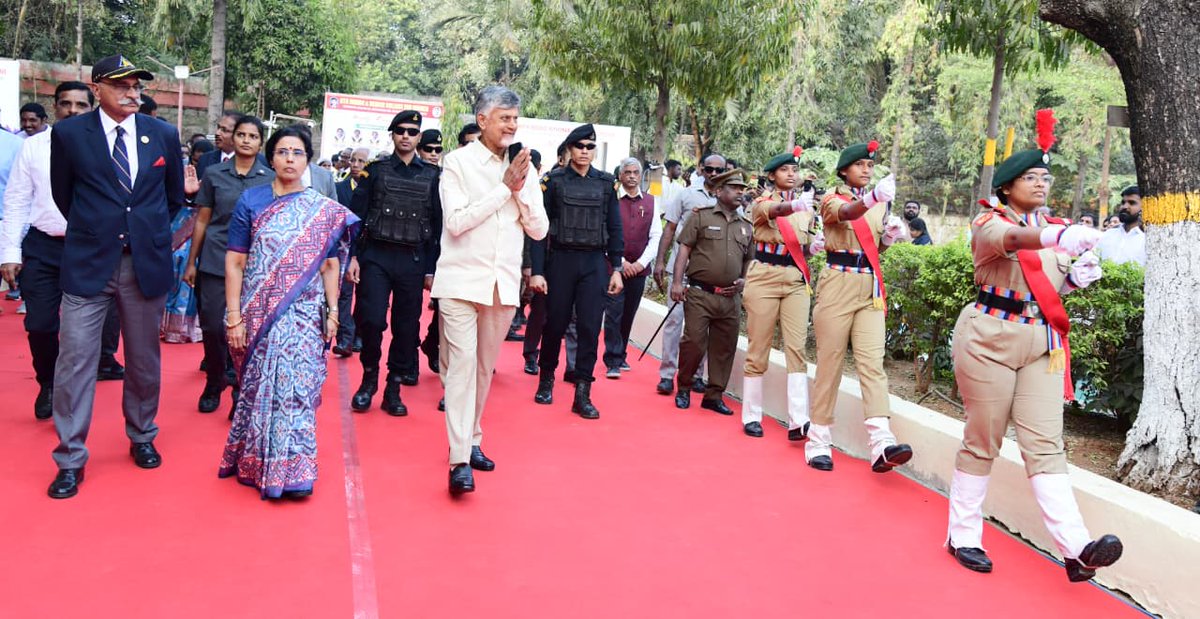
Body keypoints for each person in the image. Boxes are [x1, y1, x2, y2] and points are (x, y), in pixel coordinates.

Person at [945, 133, 1122, 582]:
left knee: (1046, 444)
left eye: (1046, 176)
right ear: (1007, 186)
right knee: (983, 439)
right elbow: (1014, 240)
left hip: (1041, 342)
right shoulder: (988, 222)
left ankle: (1077, 547)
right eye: (1031, 177)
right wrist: (1059, 236)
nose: (1041, 183)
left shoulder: (1053, 227)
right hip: (989, 340)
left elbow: (1046, 290)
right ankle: (962, 533)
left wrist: (1076, 279)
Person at [46, 55, 185, 499]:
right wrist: (98, 231)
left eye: (136, 84)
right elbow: (63, 193)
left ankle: (142, 435)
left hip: (143, 264)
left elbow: (173, 199)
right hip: (89, 262)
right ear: (97, 88)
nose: (132, 91)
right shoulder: (69, 134)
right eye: (121, 84)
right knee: (75, 363)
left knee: (144, 360)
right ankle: (70, 457)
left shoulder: (162, 134)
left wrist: (140, 234)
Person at [220, 125, 359, 500]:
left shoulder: (322, 211)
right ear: (271, 156)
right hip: (258, 312)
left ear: (307, 159)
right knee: (258, 389)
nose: (290, 159)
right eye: (282, 152)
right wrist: (234, 316)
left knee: (297, 391)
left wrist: (333, 313)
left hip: (304, 315)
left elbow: (331, 266)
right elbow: (235, 262)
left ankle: (295, 471)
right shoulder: (251, 202)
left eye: (297, 153)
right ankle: (253, 461)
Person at [434, 85, 548, 494]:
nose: (512, 125)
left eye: (516, 119)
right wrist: (505, 188)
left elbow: (539, 228)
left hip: (502, 285)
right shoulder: (457, 163)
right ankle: (459, 459)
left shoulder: (524, 168)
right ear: (483, 120)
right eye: (505, 117)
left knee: (483, 370)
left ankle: (472, 437)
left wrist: (519, 191)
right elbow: (457, 222)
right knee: (461, 367)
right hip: (460, 282)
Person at [0, 81, 125, 421]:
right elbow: (16, 200)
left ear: (91, 107)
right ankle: (48, 382)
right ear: (54, 108)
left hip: (89, 249)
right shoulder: (35, 147)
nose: (72, 110)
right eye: (65, 104)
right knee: (39, 325)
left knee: (78, 333)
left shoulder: (107, 145)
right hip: (43, 246)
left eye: (80, 105)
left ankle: (70, 398)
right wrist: (9, 251)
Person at [808, 140, 912, 473]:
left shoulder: (880, 203)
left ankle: (881, 442)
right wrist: (875, 199)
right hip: (838, 281)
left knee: (872, 363)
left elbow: (874, 250)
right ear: (844, 170)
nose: (867, 170)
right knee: (830, 364)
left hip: (870, 286)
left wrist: (889, 238)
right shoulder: (830, 198)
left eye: (871, 165)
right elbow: (847, 213)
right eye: (860, 165)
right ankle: (819, 439)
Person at [345, 110, 442, 415]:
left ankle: (393, 387)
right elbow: (355, 219)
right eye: (400, 130)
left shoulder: (432, 176)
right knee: (371, 320)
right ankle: (369, 378)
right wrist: (353, 258)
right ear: (392, 134)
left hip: (412, 260)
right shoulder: (376, 171)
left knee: (406, 329)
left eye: (412, 132)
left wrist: (431, 269)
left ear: (418, 136)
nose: (406, 136)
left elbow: (437, 227)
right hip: (375, 256)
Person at [529, 123, 624, 419]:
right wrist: (537, 270)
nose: (584, 152)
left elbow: (614, 227)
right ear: (569, 149)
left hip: (594, 263)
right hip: (561, 261)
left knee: (588, 327)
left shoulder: (607, 184)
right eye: (579, 146)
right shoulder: (553, 182)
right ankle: (546, 379)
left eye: (590, 147)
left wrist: (617, 267)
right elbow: (538, 231)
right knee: (554, 323)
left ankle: (583, 391)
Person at [184, 115, 274, 413]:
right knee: (212, 325)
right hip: (214, 258)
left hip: (254, 264)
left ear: (261, 142)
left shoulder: (270, 178)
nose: (247, 140)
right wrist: (191, 262)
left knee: (246, 327)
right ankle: (214, 379)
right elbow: (202, 220)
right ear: (232, 139)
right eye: (241, 135)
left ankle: (239, 384)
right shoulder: (214, 173)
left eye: (253, 136)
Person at [740, 150, 823, 439]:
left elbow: (804, 243)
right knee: (758, 347)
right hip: (764, 276)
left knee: (797, 349)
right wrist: (795, 205)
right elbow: (773, 213)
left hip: (795, 278)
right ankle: (751, 414)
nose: (791, 174)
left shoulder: (807, 207)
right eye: (785, 170)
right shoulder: (763, 202)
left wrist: (814, 246)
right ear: (772, 175)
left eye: (794, 170)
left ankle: (798, 420)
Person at [669, 169, 754, 413]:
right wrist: (677, 283)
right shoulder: (701, 217)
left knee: (724, 347)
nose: (740, 192)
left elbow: (749, 259)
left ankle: (713, 395)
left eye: (742, 189)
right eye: (734, 188)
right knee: (694, 342)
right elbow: (684, 250)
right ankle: (684, 387)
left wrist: (744, 280)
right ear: (718, 192)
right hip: (700, 293)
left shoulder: (746, 225)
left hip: (730, 298)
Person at [652, 154, 726, 396]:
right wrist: (660, 261)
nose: (714, 174)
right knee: (674, 322)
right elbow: (670, 229)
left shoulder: (729, 198)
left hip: (709, 273)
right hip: (680, 270)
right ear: (701, 169)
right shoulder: (685, 195)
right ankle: (666, 375)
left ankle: (696, 375)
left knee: (701, 327)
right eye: (709, 169)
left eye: (719, 170)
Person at [601, 157, 660, 378]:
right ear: (620, 175)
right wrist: (621, 262)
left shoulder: (652, 202)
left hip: (639, 269)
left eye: (636, 172)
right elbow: (605, 233)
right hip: (614, 268)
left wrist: (640, 263)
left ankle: (621, 353)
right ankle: (612, 360)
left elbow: (656, 236)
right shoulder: (612, 200)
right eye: (628, 172)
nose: (632, 176)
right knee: (614, 312)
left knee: (628, 313)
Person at [332, 147, 369, 357]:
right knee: (343, 294)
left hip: (367, 251)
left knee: (364, 296)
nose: (355, 164)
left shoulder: (374, 190)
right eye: (353, 160)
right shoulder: (338, 188)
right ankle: (345, 337)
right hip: (342, 249)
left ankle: (356, 335)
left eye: (361, 161)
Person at [1095, 185, 1145, 265]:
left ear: (1144, 208)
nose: (1124, 207)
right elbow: (1093, 259)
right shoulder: (1109, 234)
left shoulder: (1147, 239)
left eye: (1132, 203)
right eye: (1123, 202)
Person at [195, 111, 240, 179]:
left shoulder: (256, 161)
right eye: (218, 128)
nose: (217, 133)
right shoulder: (205, 159)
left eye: (224, 130)